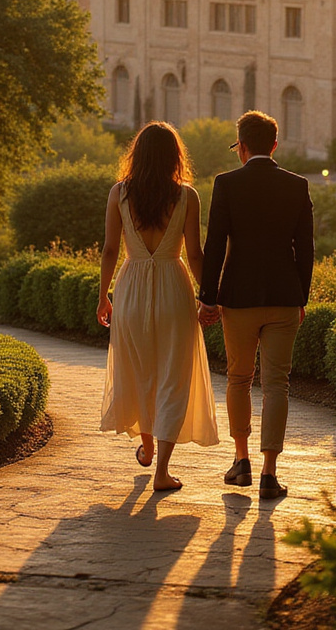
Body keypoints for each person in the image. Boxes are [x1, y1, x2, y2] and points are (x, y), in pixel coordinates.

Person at [198, 110, 314, 500]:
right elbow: (306, 249)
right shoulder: (297, 185)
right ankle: (269, 472)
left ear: (242, 147)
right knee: (276, 383)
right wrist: (302, 296)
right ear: (275, 146)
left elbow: (214, 245)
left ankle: (241, 460)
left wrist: (208, 298)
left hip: (239, 298)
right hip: (284, 297)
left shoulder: (226, 184)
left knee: (239, 378)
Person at [98, 121, 219, 491]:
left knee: (139, 369)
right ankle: (162, 471)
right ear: (174, 157)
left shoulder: (119, 193)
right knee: (172, 376)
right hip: (173, 287)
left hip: (131, 287)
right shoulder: (187, 196)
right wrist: (211, 296)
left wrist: (103, 295)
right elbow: (196, 254)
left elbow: (109, 250)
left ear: (137, 154)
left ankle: (146, 444)